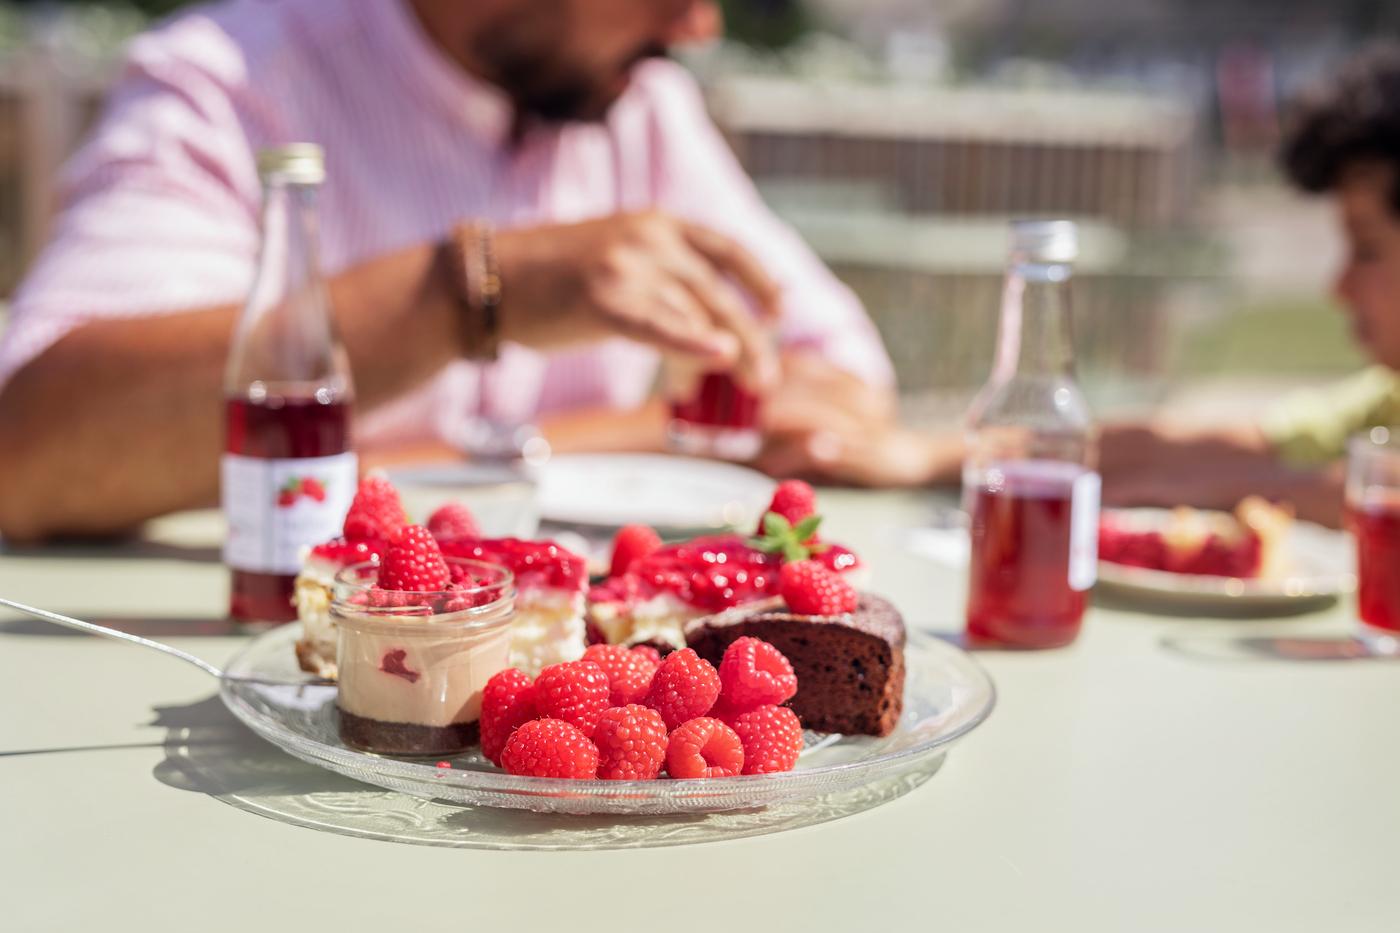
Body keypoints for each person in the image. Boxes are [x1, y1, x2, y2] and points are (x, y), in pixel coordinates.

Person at [0, 0, 895, 542]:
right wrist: (468, 292)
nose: (699, 24)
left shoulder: (642, 107)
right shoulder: (228, 83)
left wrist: (392, 465)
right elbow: (35, 455)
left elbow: (842, 385)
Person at [762, 43, 1400, 527]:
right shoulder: (1383, 400)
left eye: (1367, 249)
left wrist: (1194, 483)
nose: (1338, 287)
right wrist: (922, 456)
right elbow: (1196, 443)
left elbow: (1341, 486)